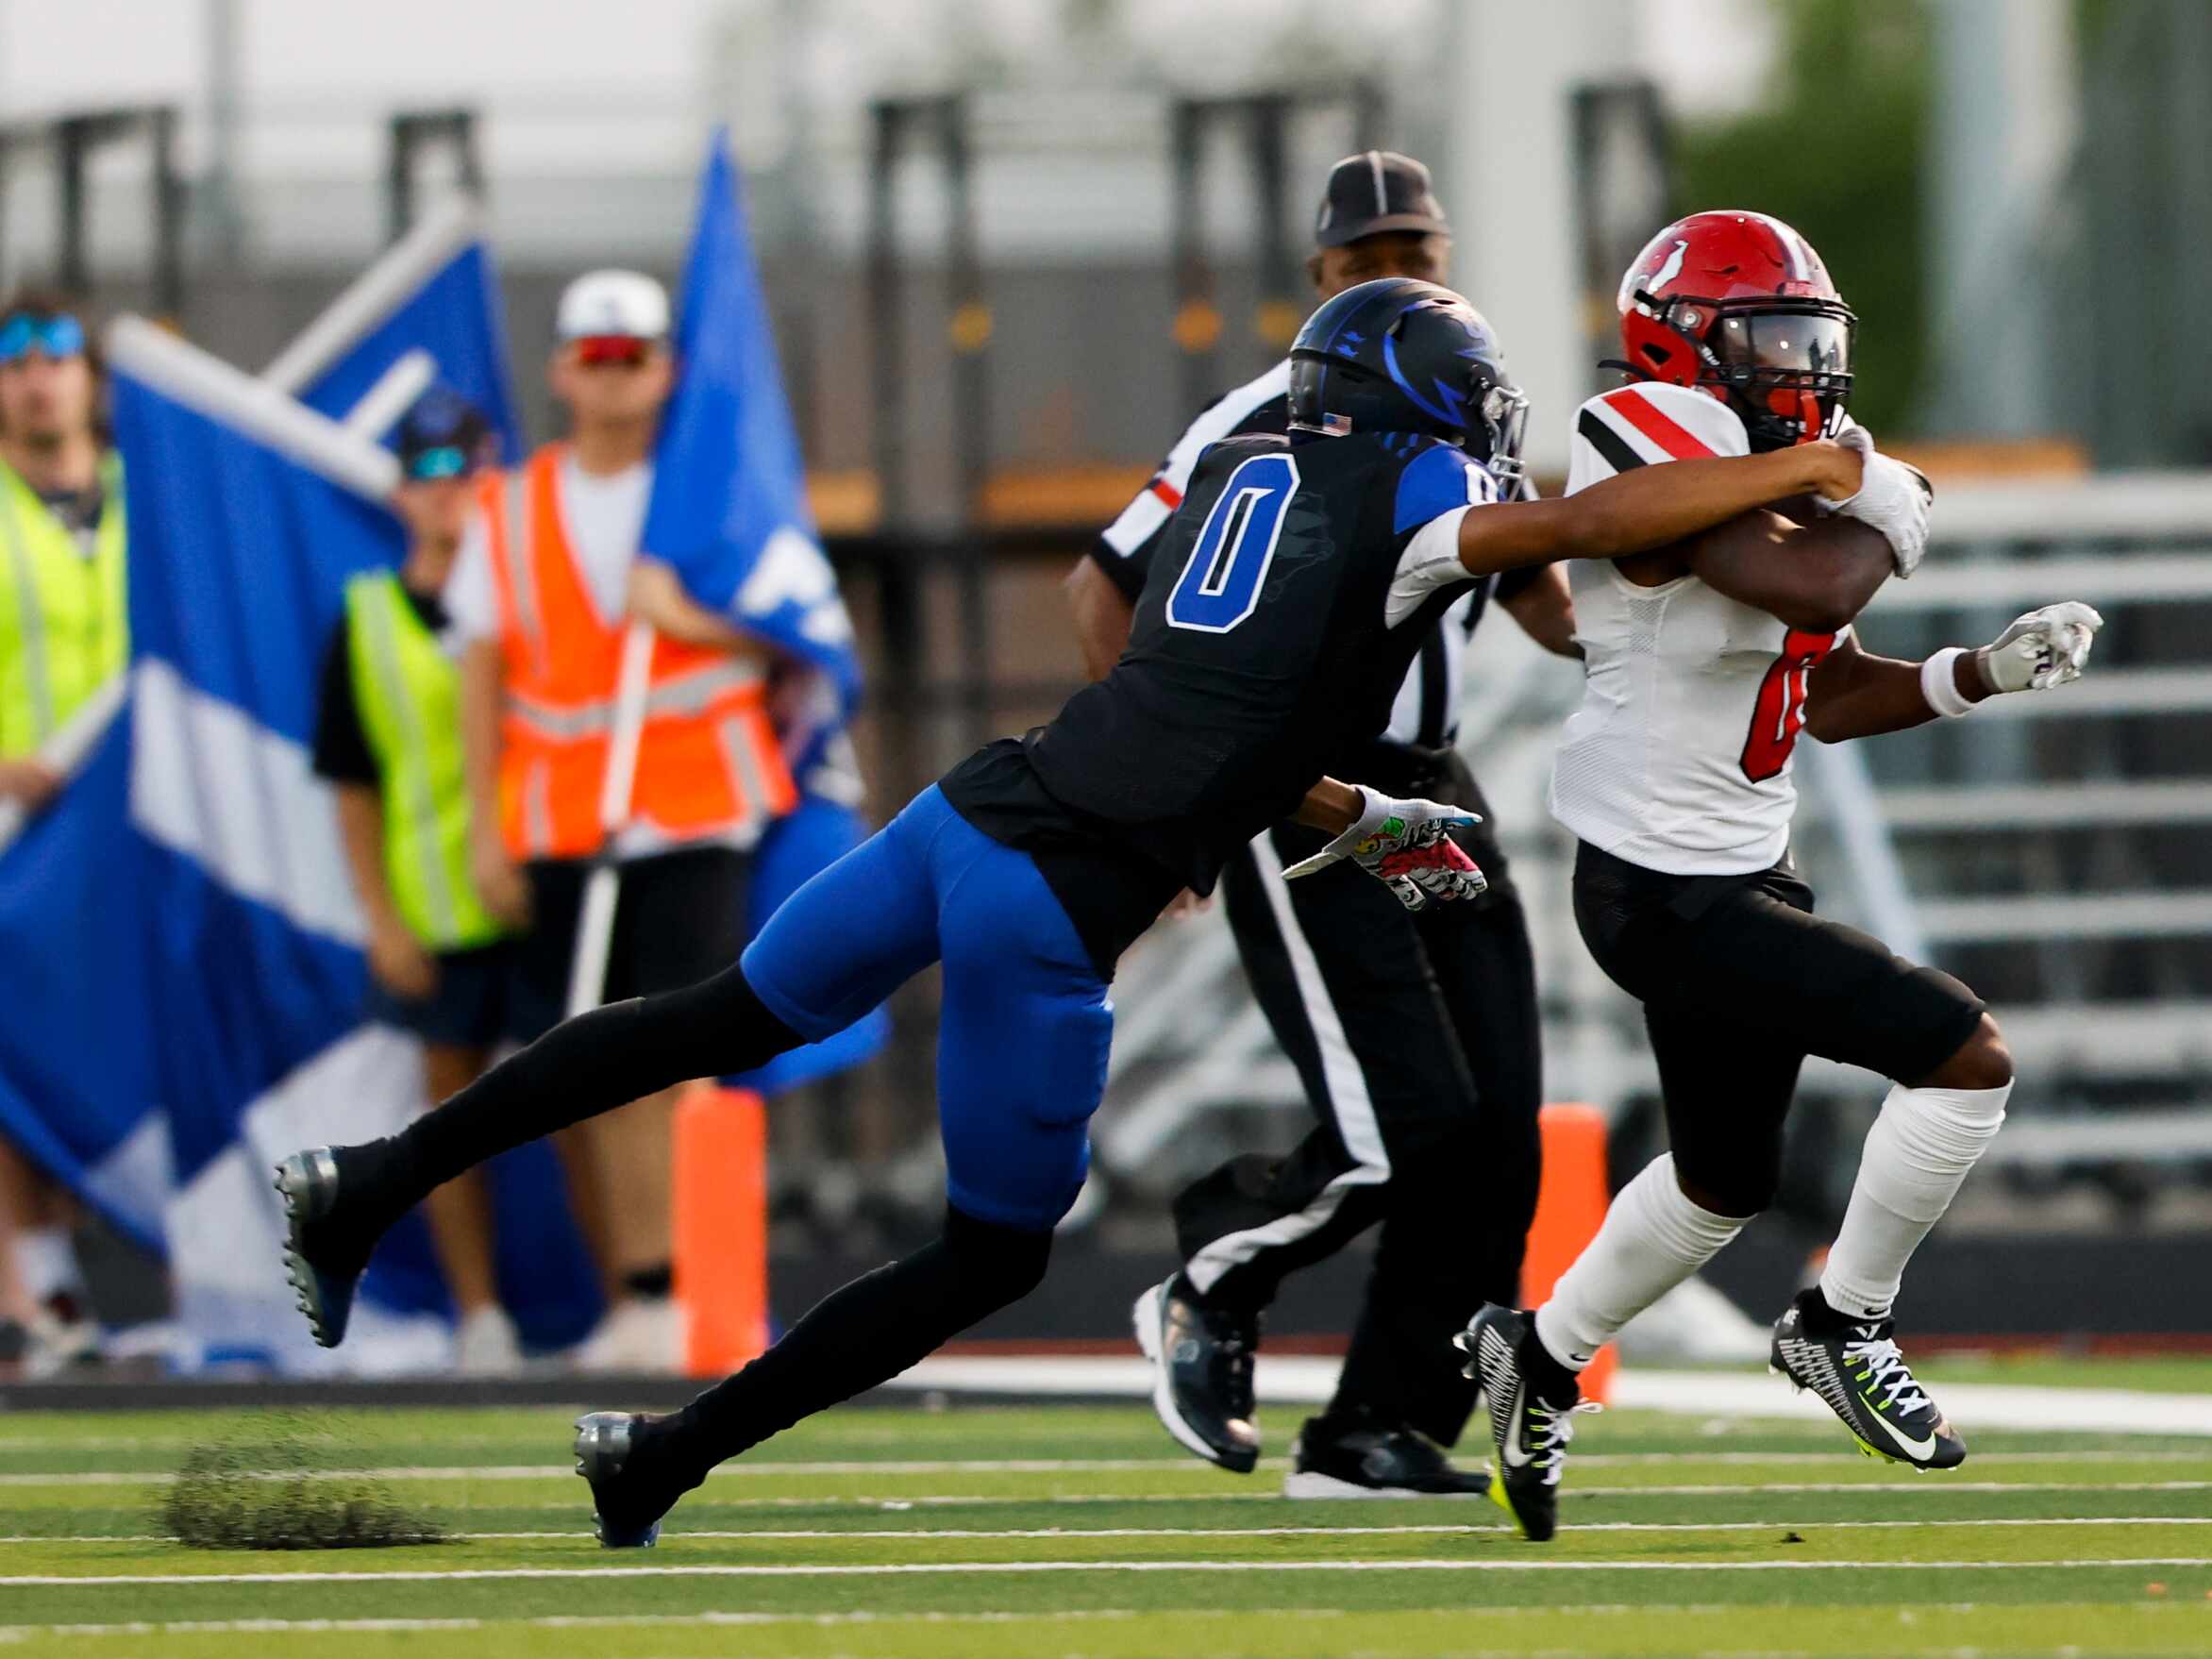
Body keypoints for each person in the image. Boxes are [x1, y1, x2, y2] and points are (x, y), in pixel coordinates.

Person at [275, 275, 1874, 1550]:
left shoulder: (1246, 470)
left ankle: (361, 1186)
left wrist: (1363, 817)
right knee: (987, 1252)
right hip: (1050, 903)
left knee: (709, 1016)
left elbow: (1212, 712)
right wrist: (1805, 464)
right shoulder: (1407, 486)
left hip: (969, 810)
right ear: (1419, 405)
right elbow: (1581, 528)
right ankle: (660, 1459)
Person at [1458, 210, 2101, 1542]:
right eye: (1768, 337)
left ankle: (1538, 1351)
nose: (1800, 365)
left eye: (1813, 338)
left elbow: (1823, 683)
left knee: (1717, 1180)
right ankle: (1839, 1318)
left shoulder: (1768, 466)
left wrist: (1975, 673)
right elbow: (1804, 586)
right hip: (1663, 886)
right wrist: (1891, 508)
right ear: (1679, 346)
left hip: (1740, 864)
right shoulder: (1648, 430)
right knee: (1963, 1052)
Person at [1070, 150, 1577, 1498]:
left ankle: (1377, 1424)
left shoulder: (1461, 392)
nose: (1397, 274)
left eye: (1416, 249)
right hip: (1301, 780)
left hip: (1433, 782)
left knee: (1500, 1128)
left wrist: (1615, 654)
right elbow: (1102, 582)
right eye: (1368, 259)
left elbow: (1520, 559)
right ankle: (1212, 1273)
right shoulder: (1270, 410)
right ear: (1320, 278)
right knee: (1393, 1129)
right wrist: (1170, 768)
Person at [442, 270, 796, 1371]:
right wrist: (486, 829)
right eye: (593, 357)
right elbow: (482, 672)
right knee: (589, 1068)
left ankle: (701, 1289)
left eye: (633, 357)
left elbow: (799, 634)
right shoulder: (507, 507)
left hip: (697, 810)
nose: (613, 377)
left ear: (668, 367)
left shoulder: (713, 492)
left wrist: (682, 618)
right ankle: (640, 1290)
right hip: (565, 824)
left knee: (688, 1057)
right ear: (560, 371)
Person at [310, 390, 525, 1375]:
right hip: (437, 910)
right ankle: (480, 1314)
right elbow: (351, 789)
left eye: (469, 470)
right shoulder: (363, 619)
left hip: (536, 896)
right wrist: (380, 917)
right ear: (401, 492)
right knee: (447, 1122)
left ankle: (626, 1297)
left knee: (592, 1100)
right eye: (431, 474)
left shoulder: (532, 598)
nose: (452, 495)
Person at [0, 292, 126, 1377]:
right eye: (14, 361)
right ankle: (36, 1289)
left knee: (137, 1051)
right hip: (14, 837)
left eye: (55, 358)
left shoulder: (152, 500)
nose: (37, 378)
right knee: (15, 1057)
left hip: (132, 836)